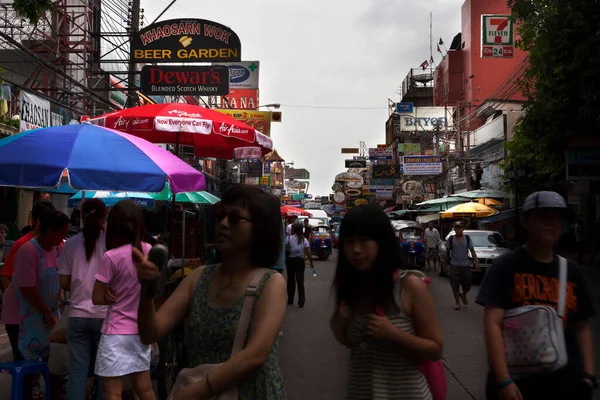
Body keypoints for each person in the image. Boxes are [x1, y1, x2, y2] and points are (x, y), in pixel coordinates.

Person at [136, 184, 287, 399]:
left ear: (260, 229)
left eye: (234, 218)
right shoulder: (198, 277)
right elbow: (150, 333)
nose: (223, 223)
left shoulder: (271, 283)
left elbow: (255, 355)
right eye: (220, 215)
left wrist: (194, 392)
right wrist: (146, 291)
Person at [477, 191, 596, 399]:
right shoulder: (506, 266)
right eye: (543, 217)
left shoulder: (572, 271)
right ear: (525, 221)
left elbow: (583, 326)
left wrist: (588, 376)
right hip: (518, 382)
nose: (552, 223)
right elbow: (493, 324)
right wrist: (503, 379)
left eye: (558, 218)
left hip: (566, 382)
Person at [330, 205, 443, 400]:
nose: (356, 250)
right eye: (349, 242)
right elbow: (351, 342)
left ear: (382, 242)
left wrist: (393, 334)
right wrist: (340, 321)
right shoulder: (352, 286)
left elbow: (435, 350)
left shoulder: (410, 286)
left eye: (364, 241)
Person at [91, 200, 154, 400]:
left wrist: (107, 294)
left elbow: (96, 298)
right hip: (141, 331)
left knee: (113, 394)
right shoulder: (149, 250)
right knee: (144, 389)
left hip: (115, 333)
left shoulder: (111, 257)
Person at [13, 210, 70, 399]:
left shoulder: (58, 249)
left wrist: (59, 298)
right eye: (61, 233)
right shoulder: (28, 251)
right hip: (32, 317)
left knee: (55, 366)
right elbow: (27, 288)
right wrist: (45, 311)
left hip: (53, 314)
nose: (63, 238)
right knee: (31, 368)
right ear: (49, 230)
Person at [59, 199, 108, 399]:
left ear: (81, 217)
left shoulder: (69, 244)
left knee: (77, 373)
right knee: (104, 373)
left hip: (78, 315)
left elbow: (63, 282)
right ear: (104, 217)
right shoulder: (112, 242)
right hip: (105, 316)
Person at [1, 201, 56, 361]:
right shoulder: (23, 245)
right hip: (20, 315)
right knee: (24, 359)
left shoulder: (56, 245)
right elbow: (6, 276)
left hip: (43, 314)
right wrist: (21, 302)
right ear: (37, 222)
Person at [445, 221, 479, 310]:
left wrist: (476, 262)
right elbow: (447, 252)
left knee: (468, 285)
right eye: (456, 228)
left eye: (459, 228)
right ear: (454, 229)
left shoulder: (467, 238)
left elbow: (472, 251)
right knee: (455, 285)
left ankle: (463, 294)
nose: (458, 230)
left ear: (463, 229)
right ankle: (457, 303)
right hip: (454, 265)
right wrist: (445, 265)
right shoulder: (451, 239)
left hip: (465, 266)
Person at [285, 223, 314, 308]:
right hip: (300, 262)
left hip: (290, 261)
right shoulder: (304, 240)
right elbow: (308, 252)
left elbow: (286, 249)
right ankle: (301, 301)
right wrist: (311, 262)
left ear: (294, 230)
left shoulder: (288, 238)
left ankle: (290, 299)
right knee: (300, 282)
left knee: (291, 280)